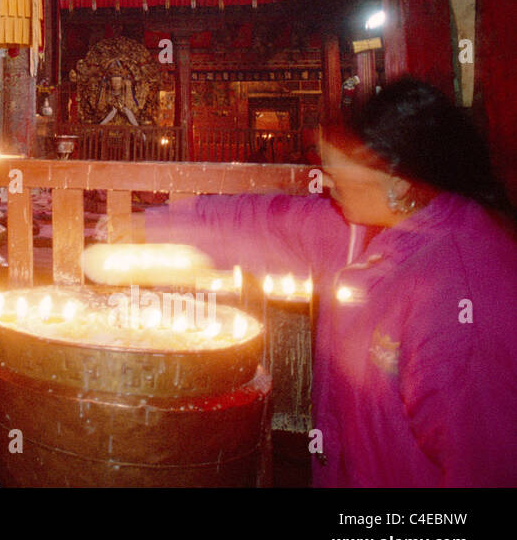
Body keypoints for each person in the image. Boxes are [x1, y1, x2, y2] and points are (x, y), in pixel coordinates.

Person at [140, 78, 517, 486]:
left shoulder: (462, 291)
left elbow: (486, 465)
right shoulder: (358, 227)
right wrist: (145, 227)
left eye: (340, 173)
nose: (326, 182)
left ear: (398, 181)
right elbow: (266, 221)